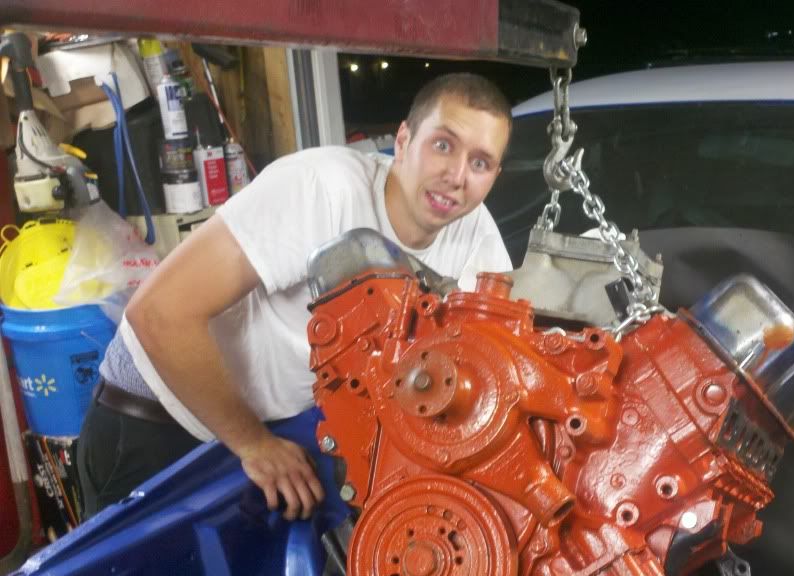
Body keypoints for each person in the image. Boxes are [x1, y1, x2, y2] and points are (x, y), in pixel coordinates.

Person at [77, 73, 513, 521]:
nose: (456, 176)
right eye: (442, 145)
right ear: (403, 140)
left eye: (480, 163)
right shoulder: (320, 188)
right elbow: (158, 314)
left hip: (260, 432)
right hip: (157, 423)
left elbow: (503, 358)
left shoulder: (474, 232)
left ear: (495, 175)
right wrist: (253, 444)